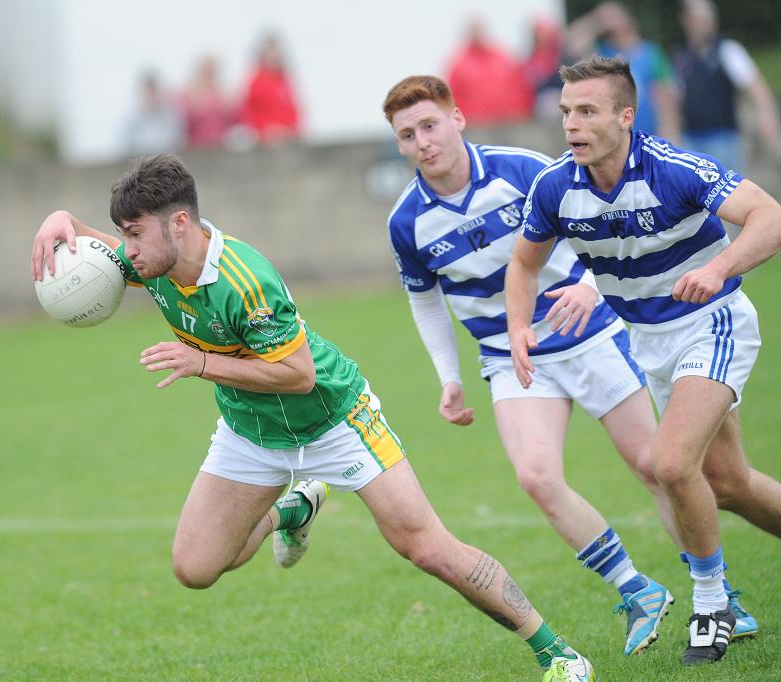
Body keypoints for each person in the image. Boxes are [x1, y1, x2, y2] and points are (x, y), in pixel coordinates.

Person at [30, 154, 593, 681]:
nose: (126, 249)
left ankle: (555, 650)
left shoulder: (243, 281)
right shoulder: (153, 260)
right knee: (195, 566)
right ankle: (292, 511)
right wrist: (67, 221)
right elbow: (106, 257)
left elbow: (299, 375)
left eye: (133, 234)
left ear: (179, 224)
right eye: (124, 234)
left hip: (334, 422)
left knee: (426, 547)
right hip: (251, 431)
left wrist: (201, 362)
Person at [384, 73, 682, 658]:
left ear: (457, 119)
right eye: (406, 135)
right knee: (536, 476)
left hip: (587, 331)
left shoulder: (523, 170)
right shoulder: (406, 221)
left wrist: (593, 287)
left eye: (429, 125)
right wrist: (449, 377)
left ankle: (714, 589)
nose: (421, 141)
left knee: (655, 466)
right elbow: (424, 301)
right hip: (509, 355)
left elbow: (604, 224)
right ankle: (636, 590)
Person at [506, 55, 781, 666]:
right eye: (565, 113)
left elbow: (770, 217)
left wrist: (716, 267)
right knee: (729, 483)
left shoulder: (672, 169)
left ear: (625, 117)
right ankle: (717, 595)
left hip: (713, 325)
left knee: (671, 462)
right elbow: (524, 263)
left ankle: (713, 605)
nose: (571, 124)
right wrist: (519, 328)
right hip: (650, 342)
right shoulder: (555, 187)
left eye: (587, 111)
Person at [674, 0, 780, 174]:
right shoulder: (682, 56)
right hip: (691, 138)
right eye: (693, 18)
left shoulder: (728, 50)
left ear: (712, 21)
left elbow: (756, 86)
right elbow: (677, 96)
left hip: (723, 137)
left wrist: (767, 118)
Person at [566, 2, 680, 141]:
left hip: (649, 133)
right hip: (615, 135)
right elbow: (573, 43)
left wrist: (670, 134)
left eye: (618, 17)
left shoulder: (651, 54)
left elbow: (667, 96)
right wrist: (596, 20)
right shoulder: (605, 55)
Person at [446, 17, 533, 128]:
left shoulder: (502, 58)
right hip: (477, 126)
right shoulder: (459, 64)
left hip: (508, 122)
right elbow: (453, 97)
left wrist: (521, 112)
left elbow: (519, 86)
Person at [237, 33, 301, 146]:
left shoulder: (285, 80)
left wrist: (290, 130)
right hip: (265, 140)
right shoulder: (255, 81)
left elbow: (293, 110)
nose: (274, 55)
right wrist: (263, 131)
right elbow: (249, 112)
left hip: (287, 137)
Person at [123, 71, 184, 156]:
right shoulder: (131, 118)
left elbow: (177, 141)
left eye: (154, 91)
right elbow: (128, 145)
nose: (152, 95)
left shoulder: (172, 115)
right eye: (148, 91)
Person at [179, 56, 233, 149]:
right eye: (207, 70)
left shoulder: (222, 92)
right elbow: (185, 117)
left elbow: (231, 116)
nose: (210, 73)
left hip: (219, 145)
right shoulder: (189, 91)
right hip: (196, 146)